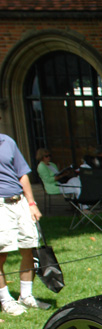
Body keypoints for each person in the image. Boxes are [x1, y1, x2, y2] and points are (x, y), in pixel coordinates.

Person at [0, 128, 44, 315]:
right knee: (1, 254)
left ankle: (26, 296)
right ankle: (6, 301)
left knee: (29, 246)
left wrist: (32, 203)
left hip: (20, 202)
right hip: (1, 205)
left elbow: (22, 174)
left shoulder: (7, 141)